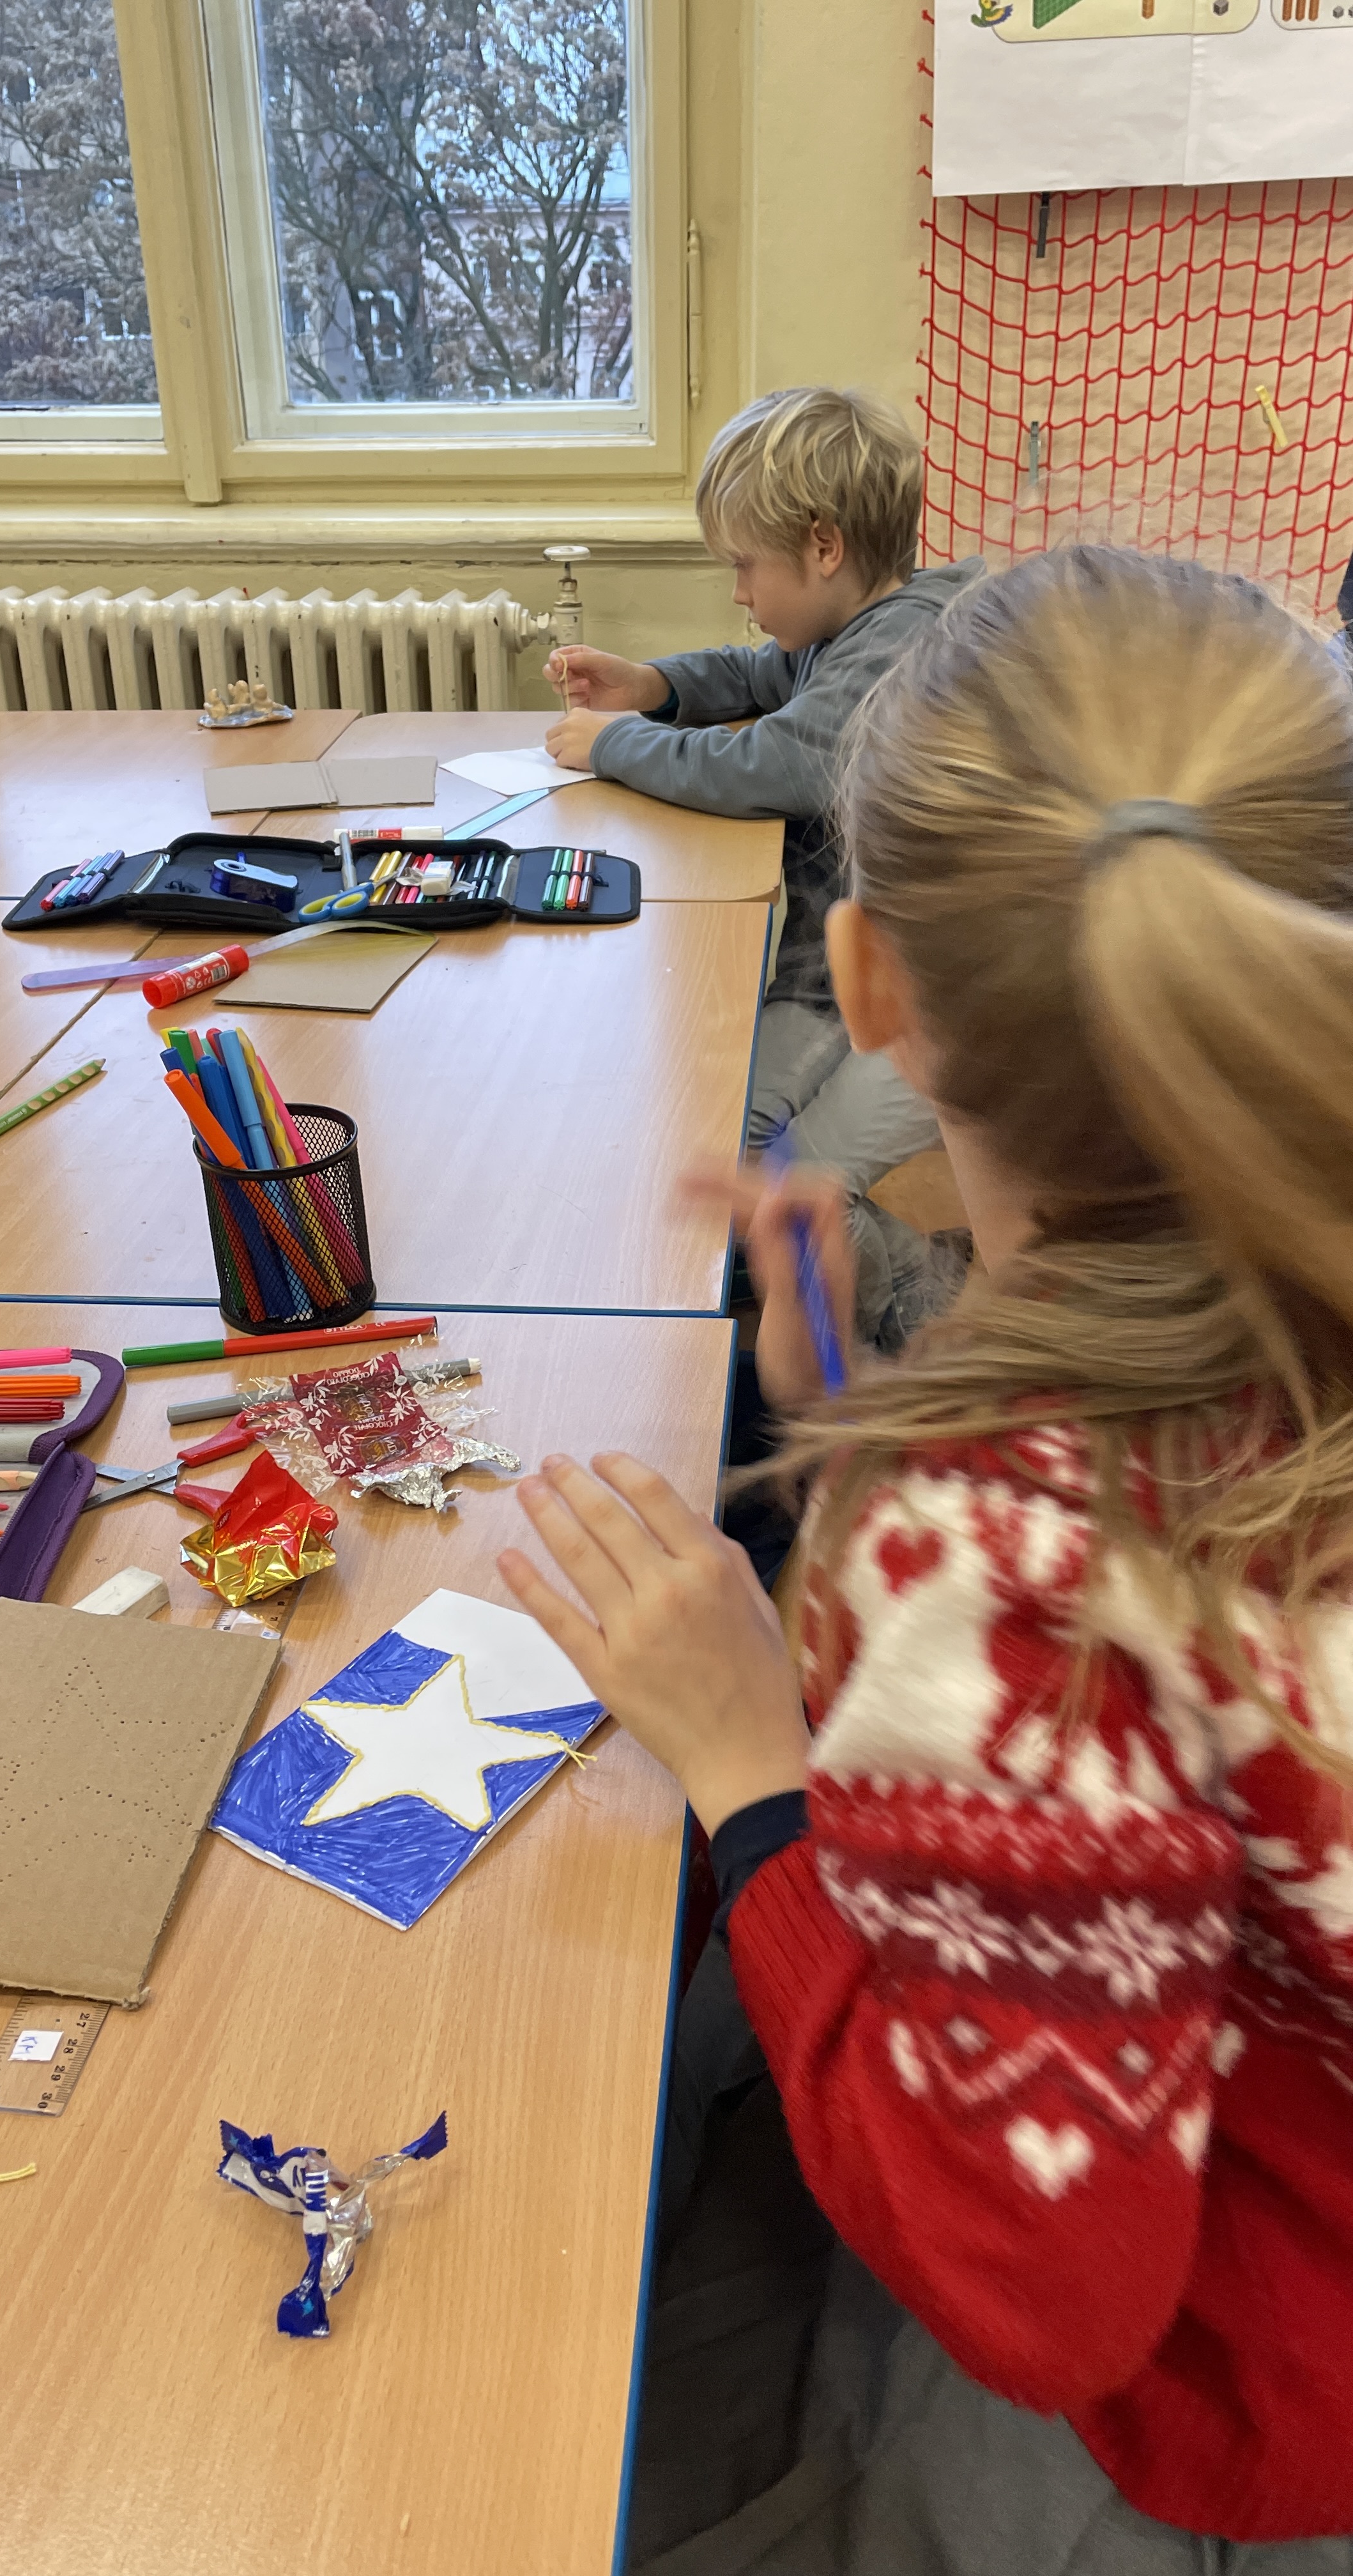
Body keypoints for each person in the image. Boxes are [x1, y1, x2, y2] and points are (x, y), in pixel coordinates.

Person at [500, 546, 1353, 2571]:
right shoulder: (1259, 1308)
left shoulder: (1009, 1544)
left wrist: (745, 1777)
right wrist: (860, 1408)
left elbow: (1034, 2291)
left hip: (1232, 2387)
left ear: (868, 983)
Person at [544, 383, 983, 1346]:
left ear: (823, 547)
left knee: (775, 1184)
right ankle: (888, 1285)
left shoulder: (903, 651)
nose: (739, 593)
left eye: (746, 566)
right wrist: (650, 685)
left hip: (923, 1003)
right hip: (851, 976)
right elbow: (756, 674)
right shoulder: (854, 627)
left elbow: (774, 762)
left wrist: (614, 743)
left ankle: (911, 1330)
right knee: (734, 1149)